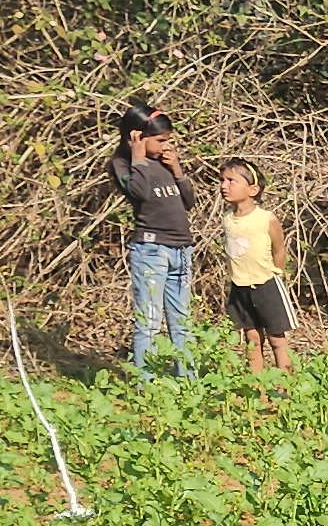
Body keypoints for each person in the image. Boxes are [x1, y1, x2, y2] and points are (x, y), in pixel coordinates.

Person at [110, 106, 197, 379]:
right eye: (160, 140)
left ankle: (187, 380)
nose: (166, 146)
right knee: (148, 321)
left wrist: (178, 170)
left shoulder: (163, 164)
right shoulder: (123, 164)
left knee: (181, 322)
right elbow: (141, 193)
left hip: (181, 249)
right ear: (136, 136)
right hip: (151, 251)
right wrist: (138, 159)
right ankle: (145, 385)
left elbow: (189, 202)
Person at [217, 159, 294, 372]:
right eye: (222, 180)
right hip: (239, 287)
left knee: (277, 339)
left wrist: (277, 274)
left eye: (232, 181)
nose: (224, 185)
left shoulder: (266, 218)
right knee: (252, 338)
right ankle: (257, 389)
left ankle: (285, 389)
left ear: (253, 189)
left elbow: (279, 249)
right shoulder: (227, 219)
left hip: (266, 285)